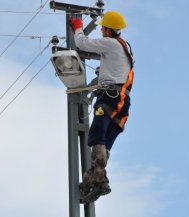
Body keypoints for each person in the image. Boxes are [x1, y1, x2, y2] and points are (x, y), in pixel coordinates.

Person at [70, 11, 134, 203]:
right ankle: (92, 177)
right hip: (123, 101)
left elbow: (81, 43)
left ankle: (100, 181)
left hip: (110, 97)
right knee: (104, 142)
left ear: (108, 30)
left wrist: (78, 26)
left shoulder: (110, 43)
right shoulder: (125, 47)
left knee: (96, 135)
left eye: (103, 27)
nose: (101, 29)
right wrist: (104, 71)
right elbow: (117, 67)